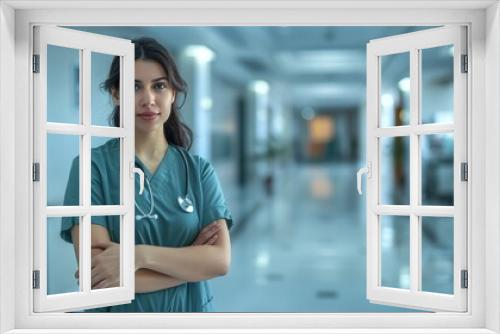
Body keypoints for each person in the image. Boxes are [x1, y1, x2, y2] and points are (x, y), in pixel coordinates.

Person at [60, 37, 233, 312]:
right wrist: (192, 265)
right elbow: (98, 275)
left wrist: (137, 256)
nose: (148, 99)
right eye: (134, 86)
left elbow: (220, 261)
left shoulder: (198, 170)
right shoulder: (91, 167)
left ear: (173, 93)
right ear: (116, 93)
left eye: (159, 86)